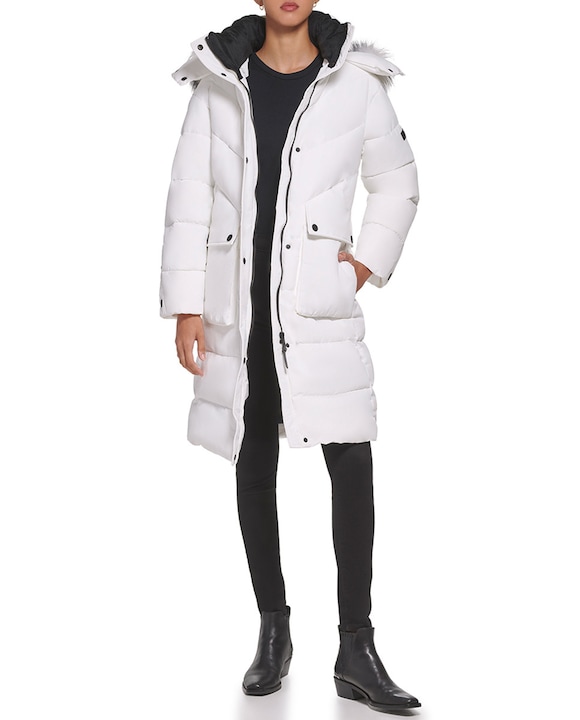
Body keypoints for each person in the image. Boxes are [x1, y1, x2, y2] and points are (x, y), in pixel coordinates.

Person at [158, 0, 420, 712]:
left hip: (316, 308)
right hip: (237, 306)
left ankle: (356, 647)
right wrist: (186, 305)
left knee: (351, 459)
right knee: (253, 459)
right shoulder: (217, 83)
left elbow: (398, 181)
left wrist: (363, 263)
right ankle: (273, 631)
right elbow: (189, 198)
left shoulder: (355, 83)